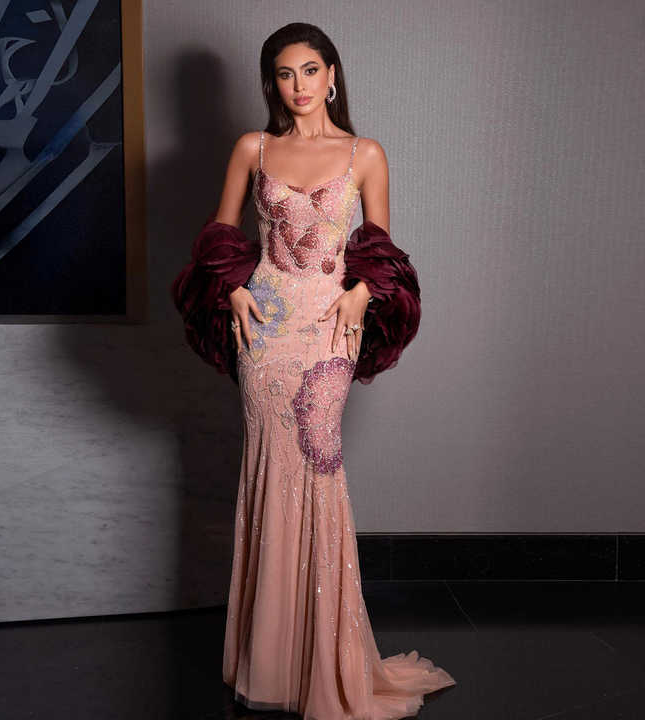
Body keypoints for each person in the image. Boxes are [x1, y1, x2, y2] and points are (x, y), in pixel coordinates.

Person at [171, 21, 456, 720]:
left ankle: (323, 658)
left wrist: (360, 294)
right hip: (265, 330)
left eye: (309, 70)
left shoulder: (365, 153)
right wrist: (232, 290)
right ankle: (270, 660)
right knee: (269, 466)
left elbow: (381, 250)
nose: (297, 85)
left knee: (317, 464)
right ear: (271, 84)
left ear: (332, 76)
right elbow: (218, 236)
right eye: (284, 73)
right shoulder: (253, 148)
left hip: (330, 328)